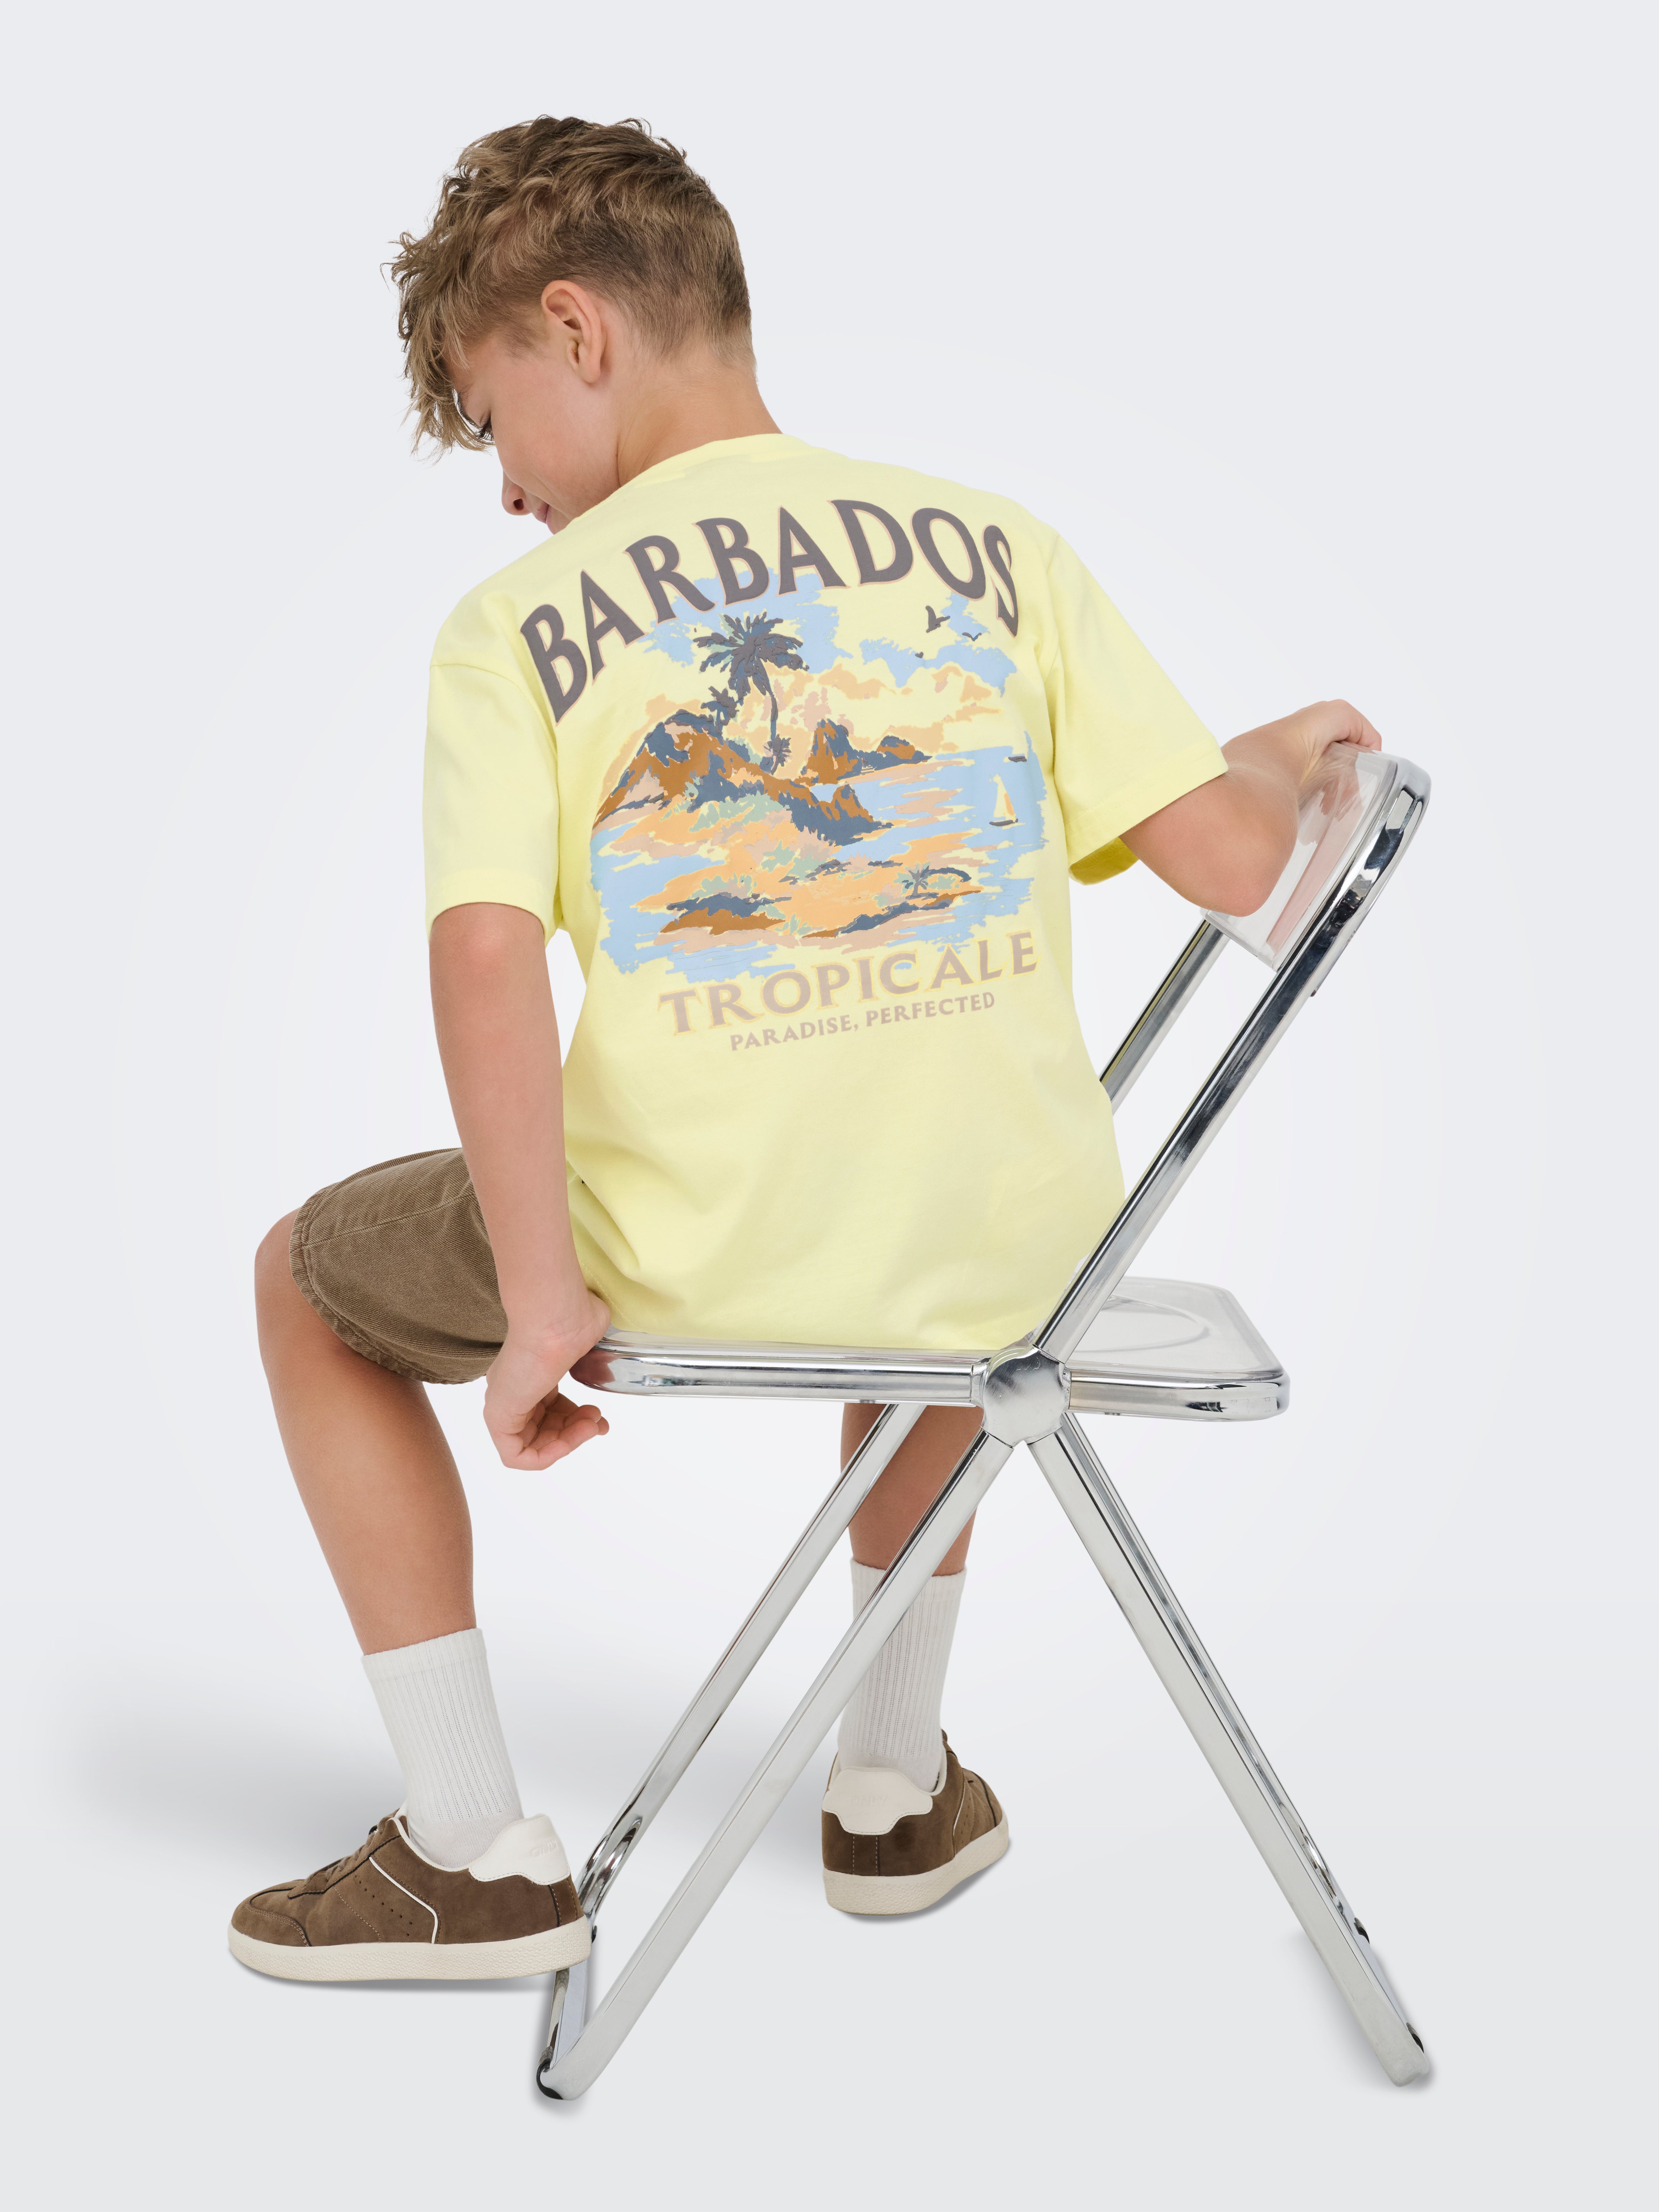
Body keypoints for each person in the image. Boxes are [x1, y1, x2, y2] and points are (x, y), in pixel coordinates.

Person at [229, 115, 1380, 1979]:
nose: (504, 488)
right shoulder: (996, 548)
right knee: (927, 1243)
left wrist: (540, 1296)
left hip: (682, 1248)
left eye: (492, 414)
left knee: (304, 1281)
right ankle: (891, 1788)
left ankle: (467, 1851)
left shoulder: (516, 629)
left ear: (576, 328)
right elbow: (1249, 871)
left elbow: (484, 955)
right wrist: (1254, 756)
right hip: (1030, 1266)